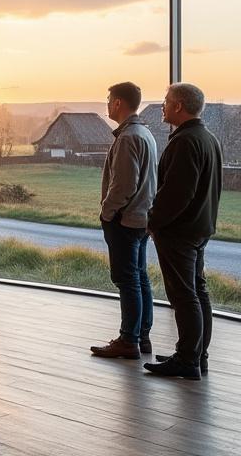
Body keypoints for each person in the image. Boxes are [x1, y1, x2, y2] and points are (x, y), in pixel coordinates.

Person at [144, 83, 222, 380]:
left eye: (166, 101)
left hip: (179, 232)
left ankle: (187, 360)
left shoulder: (185, 142)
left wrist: (152, 221)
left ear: (178, 106)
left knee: (184, 296)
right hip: (199, 228)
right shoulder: (208, 138)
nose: (162, 106)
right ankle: (197, 355)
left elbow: (176, 195)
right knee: (198, 291)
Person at [90, 82, 157, 360]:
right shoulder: (145, 133)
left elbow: (124, 185)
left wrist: (107, 213)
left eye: (109, 99)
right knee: (139, 277)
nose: (107, 104)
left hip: (125, 220)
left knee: (127, 280)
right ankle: (142, 336)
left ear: (118, 103)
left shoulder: (128, 137)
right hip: (141, 218)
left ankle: (128, 340)